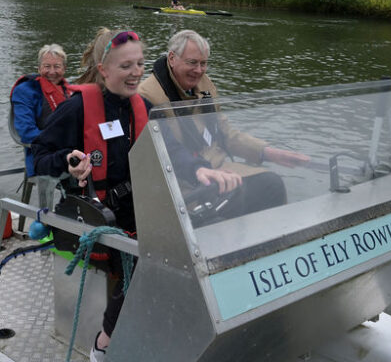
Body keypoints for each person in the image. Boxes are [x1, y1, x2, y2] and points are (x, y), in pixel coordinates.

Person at [33, 30, 243, 361]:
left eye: (140, 65)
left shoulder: (141, 107)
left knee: (202, 233)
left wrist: (200, 170)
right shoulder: (76, 109)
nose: (135, 73)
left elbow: (171, 149)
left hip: (136, 208)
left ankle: (181, 323)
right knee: (154, 257)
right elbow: (38, 157)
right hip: (93, 213)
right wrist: (67, 161)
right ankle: (103, 342)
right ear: (103, 69)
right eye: (126, 65)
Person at [138, 29, 308, 208]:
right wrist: (200, 171)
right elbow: (161, 156)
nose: (198, 70)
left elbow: (225, 132)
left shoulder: (205, 84)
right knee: (234, 199)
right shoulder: (148, 96)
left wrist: (267, 152)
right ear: (172, 58)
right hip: (184, 179)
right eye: (192, 62)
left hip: (219, 165)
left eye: (204, 63)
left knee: (271, 184)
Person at [9, 44, 72, 211]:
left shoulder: (69, 90)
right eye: (47, 66)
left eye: (57, 66)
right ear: (38, 68)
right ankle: (47, 226)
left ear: (64, 69)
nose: (52, 72)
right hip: (41, 155)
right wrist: (58, 143)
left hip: (71, 151)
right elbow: (26, 132)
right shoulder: (26, 91)